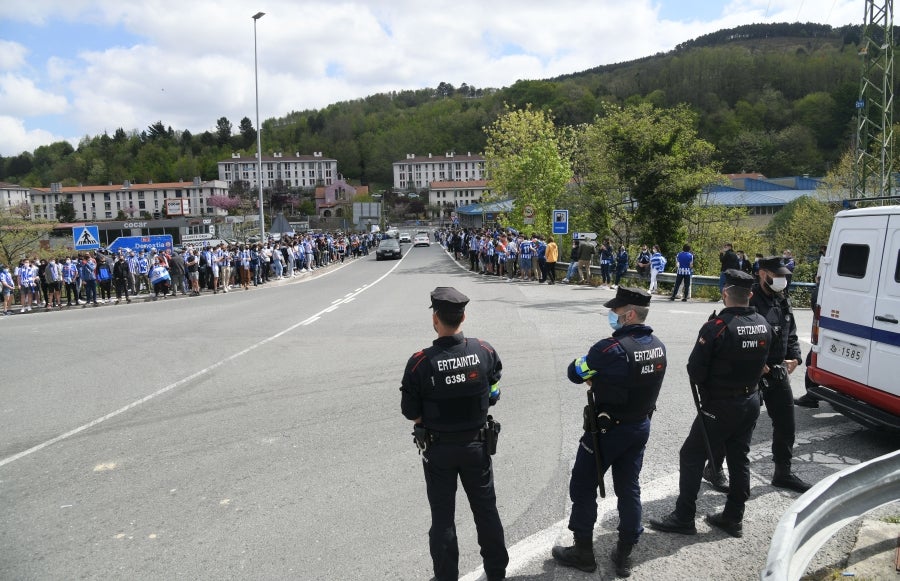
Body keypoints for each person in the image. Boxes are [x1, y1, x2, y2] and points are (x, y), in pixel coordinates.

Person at [552, 286, 667, 578]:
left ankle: (583, 552)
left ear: (629, 315)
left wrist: (597, 378)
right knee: (629, 488)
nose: (612, 316)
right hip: (639, 426)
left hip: (607, 431)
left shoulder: (609, 349)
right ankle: (624, 554)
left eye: (616, 311)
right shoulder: (658, 346)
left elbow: (575, 372)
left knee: (582, 485)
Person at [650, 270, 771, 539]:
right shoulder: (763, 323)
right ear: (750, 294)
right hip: (751, 401)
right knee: (739, 458)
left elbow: (695, 371)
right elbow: (766, 363)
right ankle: (733, 517)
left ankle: (684, 517)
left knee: (692, 455)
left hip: (720, 405)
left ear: (725, 293)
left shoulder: (716, 327)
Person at [400, 287, 508, 581]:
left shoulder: (420, 362)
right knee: (486, 511)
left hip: (439, 450)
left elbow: (411, 412)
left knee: (443, 518)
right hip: (477, 445)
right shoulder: (484, 350)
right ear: (464, 317)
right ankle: (497, 572)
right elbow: (494, 390)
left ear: (435, 319)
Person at [704, 256, 812, 494]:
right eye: (777, 275)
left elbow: (790, 333)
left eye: (784, 276)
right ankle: (714, 468)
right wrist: (756, 363)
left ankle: (783, 472)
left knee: (786, 424)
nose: (782, 280)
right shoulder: (748, 299)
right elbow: (735, 336)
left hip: (777, 372)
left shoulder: (782, 299)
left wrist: (795, 358)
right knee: (737, 425)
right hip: (750, 374)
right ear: (763, 273)